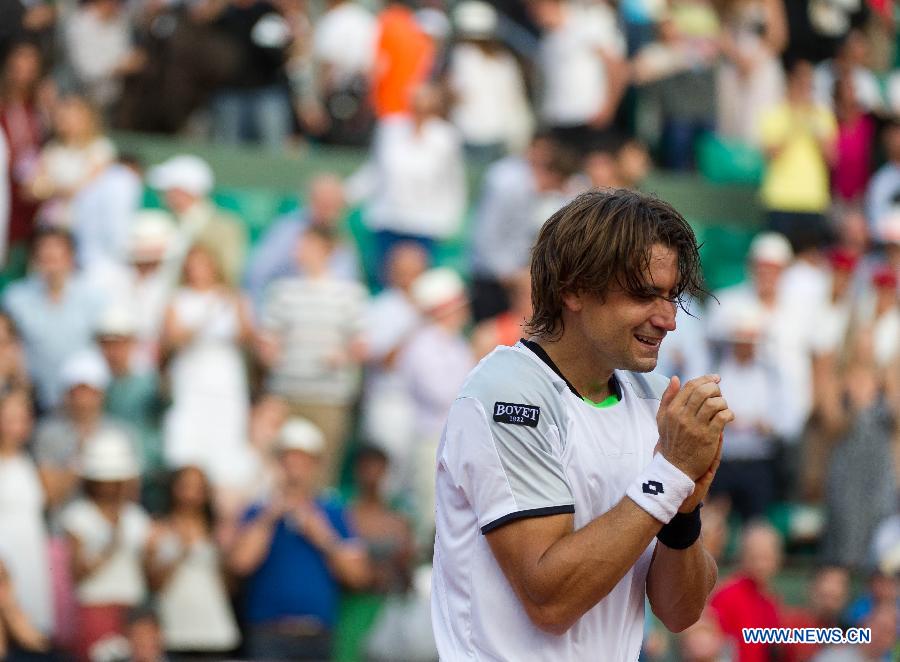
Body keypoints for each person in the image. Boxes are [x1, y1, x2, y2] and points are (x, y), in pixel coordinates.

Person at [432, 189, 733, 660]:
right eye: (643, 294)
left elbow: (679, 613)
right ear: (572, 289)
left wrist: (685, 509)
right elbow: (549, 599)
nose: (668, 319)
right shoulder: (506, 393)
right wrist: (670, 474)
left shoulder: (648, 402)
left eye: (671, 296)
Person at [228, 418, 370, 661]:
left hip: (317, 635)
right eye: (288, 460)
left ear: (314, 465)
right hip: (268, 633)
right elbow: (240, 564)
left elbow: (359, 576)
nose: (294, 468)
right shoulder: (257, 511)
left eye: (302, 461)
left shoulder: (333, 512)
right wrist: (269, 517)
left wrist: (322, 536)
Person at [259, 225, 368, 487]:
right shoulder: (281, 291)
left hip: (329, 398)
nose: (298, 251)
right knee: (278, 471)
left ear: (324, 250)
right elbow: (267, 341)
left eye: (305, 244)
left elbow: (360, 345)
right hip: (287, 393)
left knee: (322, 473)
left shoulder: (349, 295)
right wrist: (270, 353)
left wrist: (342, 356)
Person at [161, 245, 254, 493]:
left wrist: (231, 303)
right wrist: (205, 316)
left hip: (225, 380)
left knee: (226, 441)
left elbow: (247, 336)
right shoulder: (178, 299)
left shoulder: (233, 298)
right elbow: (172, 339)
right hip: (192, 378)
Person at [60, 428, 150, 661]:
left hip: (132, 607)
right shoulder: (78, 516)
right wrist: (111, 544)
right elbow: (78, 572)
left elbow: (147, 569)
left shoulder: (136, 516)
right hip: (96, 606)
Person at [3, 227, 106, 410]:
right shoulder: (16, 299)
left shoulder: (94, 298)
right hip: (33, 398)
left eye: (56, 258)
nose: (51, 265)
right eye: (45, 258)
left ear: (70, 258)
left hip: (81, 399)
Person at [145, 466, 240, 656]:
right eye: (186, 486)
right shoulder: (159, 528)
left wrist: (225, 554)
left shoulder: (216, 531)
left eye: (198, 487)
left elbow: (230, 586)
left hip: (214, 631)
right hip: (174, 630)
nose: (191, 493)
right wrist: (181, 551)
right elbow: (153, 583)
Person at [243, 173, 358, 312]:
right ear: (310, 200)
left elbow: (346, 285)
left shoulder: (344, 240)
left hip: (327, 316)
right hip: (285, 312)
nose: (329, 210)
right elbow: (257, 274)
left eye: (334, 204)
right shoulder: (286, 230)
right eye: (323, 202)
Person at [146, 154, 247, 286]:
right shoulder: (168, 223)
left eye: (169, 190)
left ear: (184, 191)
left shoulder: (226, 227)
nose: (164, 196)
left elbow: (230, 274)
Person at [0, 389, 53, 640]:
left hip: (30, 562)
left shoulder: (29, 461)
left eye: (23, 417)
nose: (17, 425)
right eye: (10, 417)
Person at [709, 522, 784, 662]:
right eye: (755, 557)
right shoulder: (726, 595)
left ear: (777, 559)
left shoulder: (771, 600)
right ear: (743, 557)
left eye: (766, 558)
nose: (760, 565)